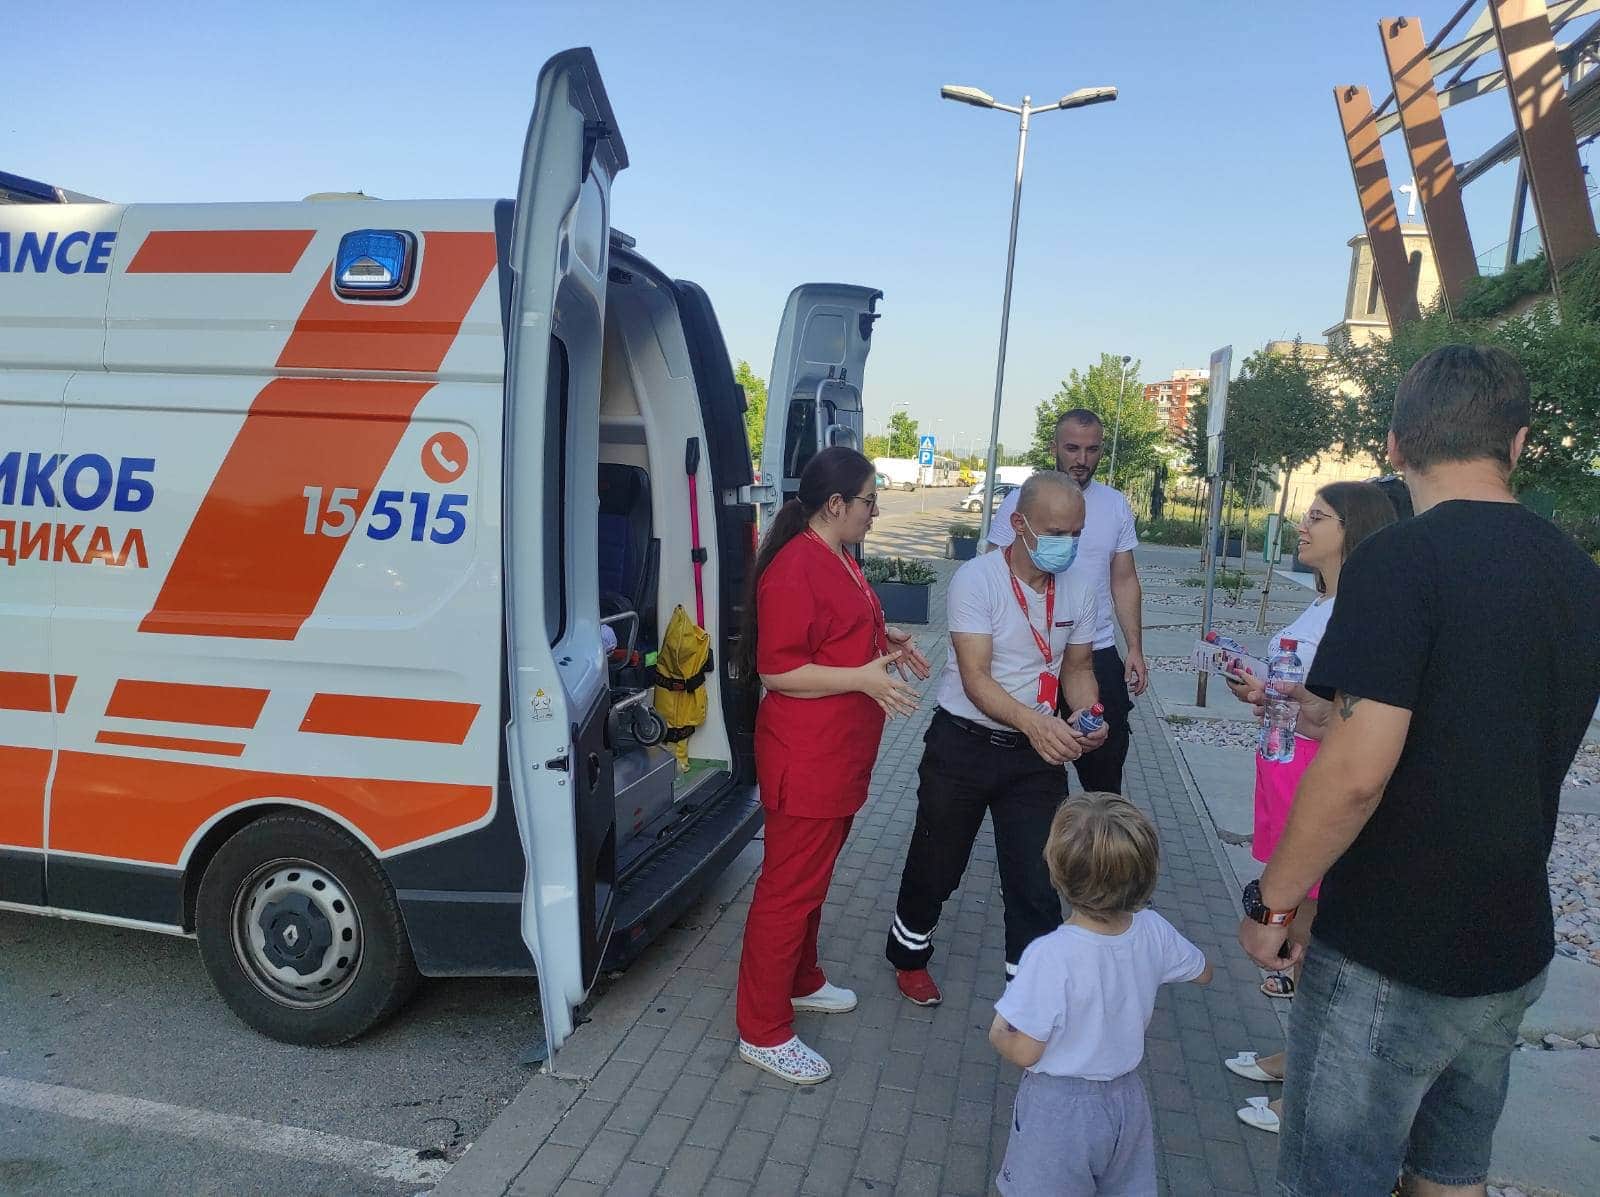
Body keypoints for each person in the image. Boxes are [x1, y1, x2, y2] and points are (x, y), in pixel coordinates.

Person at [1237, 346, 1600, 1196]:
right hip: (1511, 938)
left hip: (1390, 947)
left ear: (1396, 445)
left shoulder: (1398, 560)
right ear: (1518, 443)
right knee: (1448, 1174)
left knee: (1333, 1178)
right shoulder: (1579, 575)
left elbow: (1358, 771)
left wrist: (1274, 901)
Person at [733, 446, 932, 1084]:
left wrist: (880, 640)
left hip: (840, 757)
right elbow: (779, 670)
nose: (876, 512)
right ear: (835, 504)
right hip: (807, 758)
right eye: (870, 501)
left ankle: (801, 978)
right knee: (787, 893)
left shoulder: (840, 555)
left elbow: (835, 632)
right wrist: (860, 676)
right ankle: (762, 1030)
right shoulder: (795, 566)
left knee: (811, 883)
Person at [1216, 481, 1396, 1133]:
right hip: (1284, 763)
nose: (1303, 524)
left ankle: (1308, 1094)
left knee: (1310, 935)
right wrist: (1265, 691)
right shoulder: (1323, 602)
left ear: (1353, 529)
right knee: (1302, 933)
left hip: (1312, 776)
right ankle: (1293, 1059)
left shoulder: (1362, 612)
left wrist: (1283, 697)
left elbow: (1339, 714)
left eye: (1318, 517)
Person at [885, 471, 1106, 1004]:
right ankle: (909, 955)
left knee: (1037, 880)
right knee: (937, 864)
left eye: (1077, 534)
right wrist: (1038, 723)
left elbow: (1077, 668)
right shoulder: (976, 579)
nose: (1068, 545)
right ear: (1019, 525)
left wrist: (1088, 715)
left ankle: (1028, 995)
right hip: (962, 746)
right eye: (1057, 533)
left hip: (1035, 757)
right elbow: (976, 678)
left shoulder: (1081, 586)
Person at [989, 793, 1212, 1196]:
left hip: (1057, 1108)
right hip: (1126, 1099)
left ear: (1057, 870)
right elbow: (1203, 971)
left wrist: (999, 1031)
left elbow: (1025, 1051)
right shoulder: (1153, 930)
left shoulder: (1050, 954)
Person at [989, 410, 1146, 793]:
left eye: (1092, 450)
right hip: (1032, 653)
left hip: (1095, 649)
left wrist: (1135, 648)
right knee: (1030, 768)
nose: (1082, 459)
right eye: (1072, 448)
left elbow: (1124, 579)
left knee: (1104, 766)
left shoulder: (1114, 504)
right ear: (1054, 447)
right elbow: (994, 573)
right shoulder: (1021, 502)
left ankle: (1099, 831)